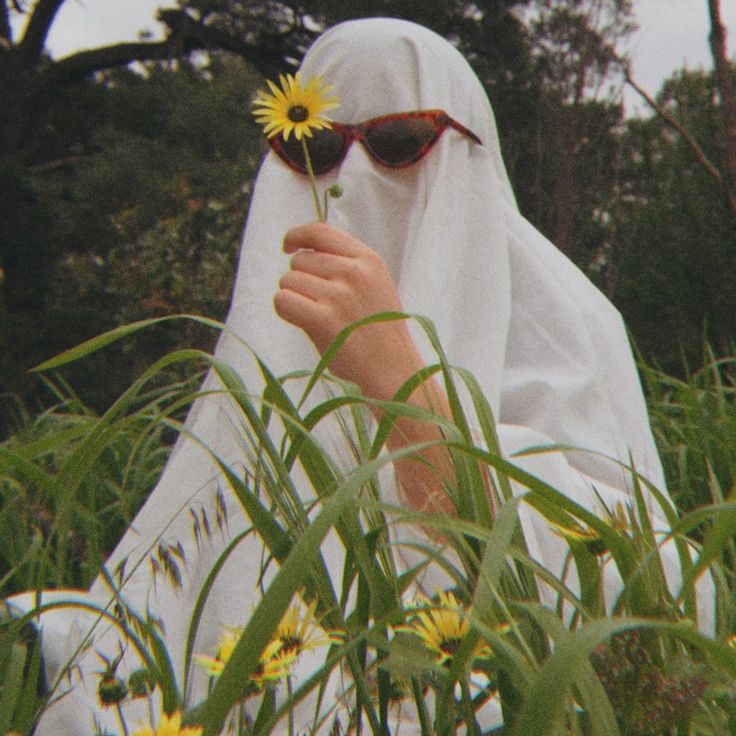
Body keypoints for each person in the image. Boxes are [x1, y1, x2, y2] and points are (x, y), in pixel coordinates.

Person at [9, 17, 714, 735]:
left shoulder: (562, 326)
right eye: (309, 147)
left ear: (466, 150)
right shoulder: (267, 342)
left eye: (398, 143)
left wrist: (405, 387)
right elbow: (191, 573)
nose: (348, 181)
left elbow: (664, 600)